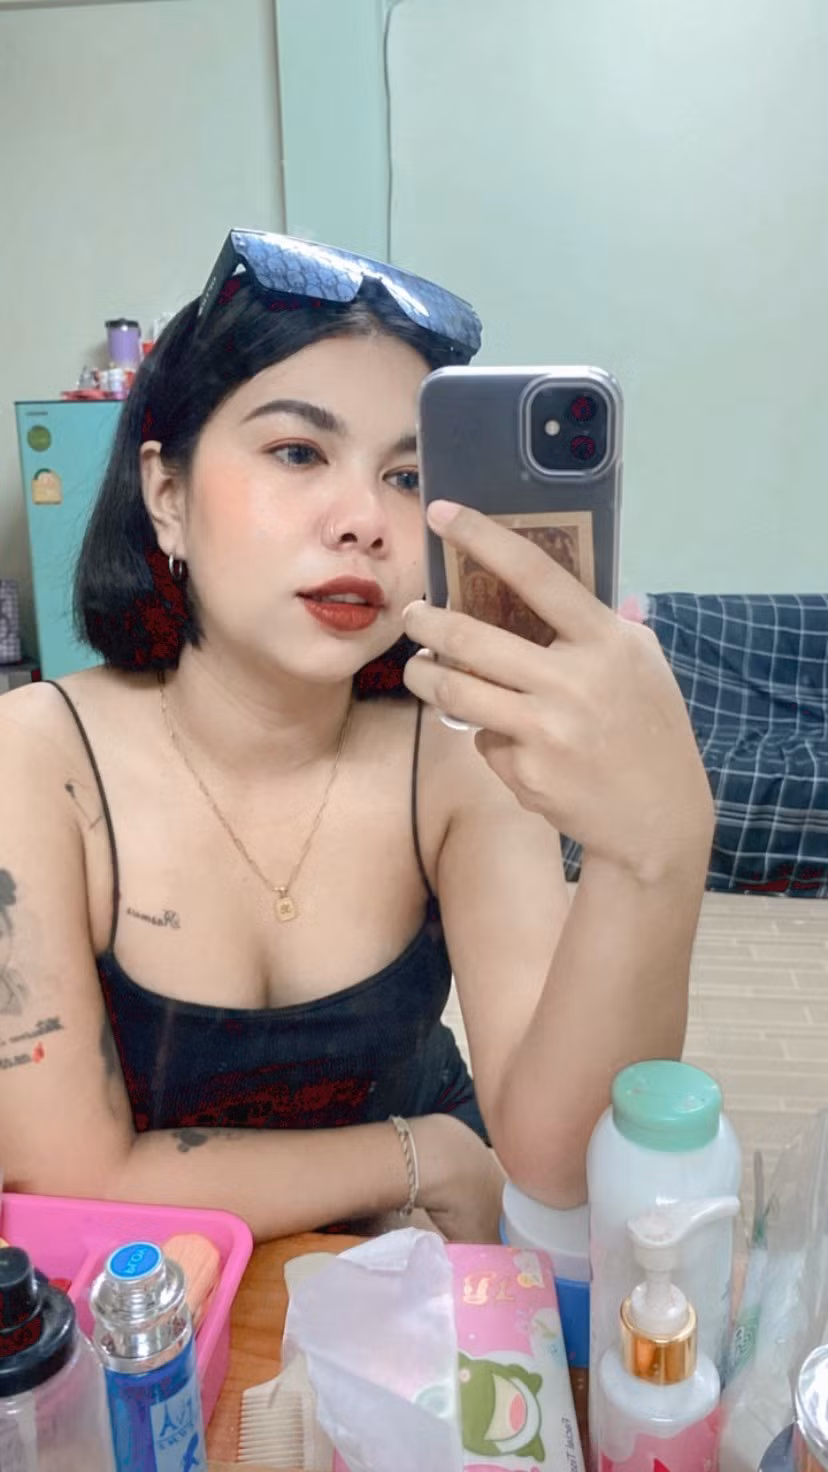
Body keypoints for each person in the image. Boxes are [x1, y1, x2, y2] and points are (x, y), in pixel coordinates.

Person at [0, 230, 713, 1244]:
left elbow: (557, 1162)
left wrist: (655, 852)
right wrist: (418, 1153)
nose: (366, 521)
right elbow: (65, 1183)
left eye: (409, 476)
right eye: (298, 452)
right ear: (168, 496)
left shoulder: (455, 750)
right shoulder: (36, 759)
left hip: (414, 1273)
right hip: (179, 1291)